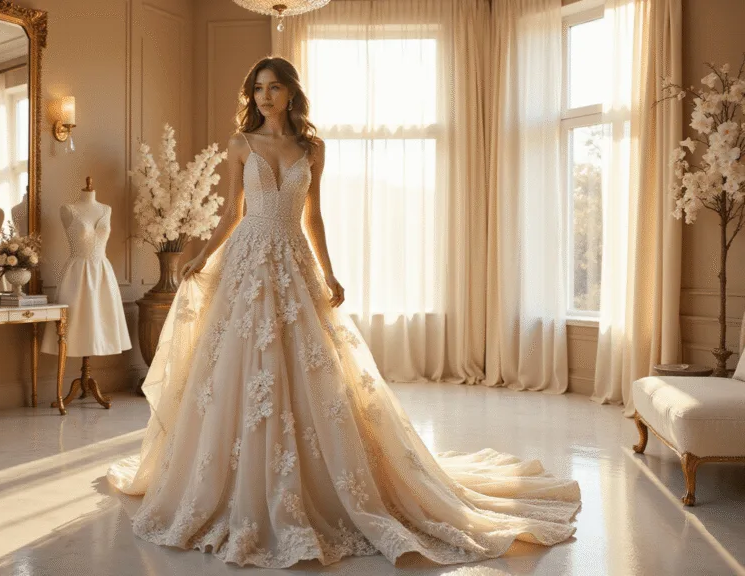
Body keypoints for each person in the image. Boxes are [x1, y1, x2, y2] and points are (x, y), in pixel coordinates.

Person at [107, 56, 581, 569]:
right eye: (258, 89)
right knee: (240, 368)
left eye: (275, 87)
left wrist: (329, 273)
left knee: (315, 371)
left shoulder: (313, 148)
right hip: (247, 261)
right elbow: (231, 212)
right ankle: (230, 484)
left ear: (291, 93)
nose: (265, 97)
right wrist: (202, 254)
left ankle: (322, 482)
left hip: (294, 261)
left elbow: (314, 216)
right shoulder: (241, 145)